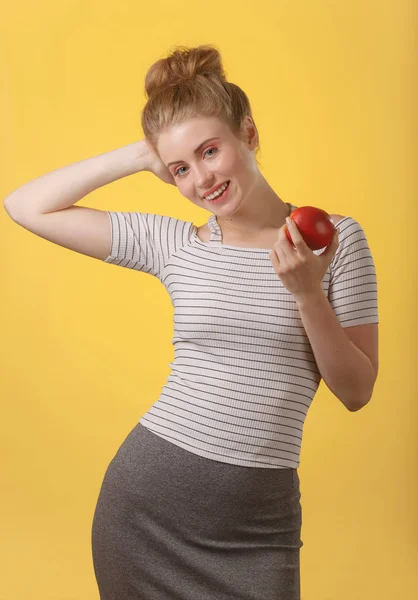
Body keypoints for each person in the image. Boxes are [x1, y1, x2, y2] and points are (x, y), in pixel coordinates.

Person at [4, 44, 379, 600]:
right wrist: (140, 154)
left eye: (210, 150)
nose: (201, 178)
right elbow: (25, 206)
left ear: (248, 134)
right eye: (181, 167)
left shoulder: (334, 241)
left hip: (260, 528)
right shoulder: (175, 245)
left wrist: (307, 295)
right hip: (145, 513)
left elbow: (356, 390)